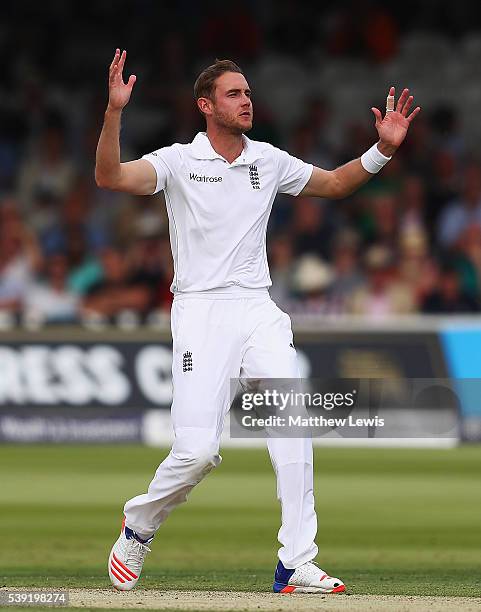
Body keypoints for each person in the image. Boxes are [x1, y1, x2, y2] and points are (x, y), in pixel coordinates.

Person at [95, 49, 419, 595]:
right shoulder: (177, 161)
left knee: (292, 424)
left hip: (258, 308)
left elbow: (335, 185)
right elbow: (109, 177)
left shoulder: (267, 160)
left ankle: (296, 561)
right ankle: (140, 524)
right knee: (198, 451)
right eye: (233, 94)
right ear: (206, 104)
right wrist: (113, 112)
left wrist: (382, 150)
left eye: (248, 93)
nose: (247, 101)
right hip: (199, 310)